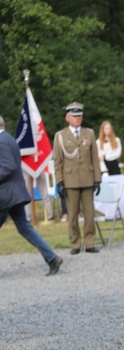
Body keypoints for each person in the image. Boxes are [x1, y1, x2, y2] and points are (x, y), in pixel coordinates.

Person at [0, 115, 63, 275]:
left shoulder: (1, 141)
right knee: (25, 228)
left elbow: (8, 166)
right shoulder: (9, 139)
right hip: (14, 195)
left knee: (25, 228)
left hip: (6, 196)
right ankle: (52, 258)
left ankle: (52, 258)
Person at [53, 102, 101, 254]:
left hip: (87, 178)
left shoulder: (89, 134)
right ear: (67, 118)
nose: (77, 118)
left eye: (79, 115)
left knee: (89, 214)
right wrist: (60, 181)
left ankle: (89, 242)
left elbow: (95, 158)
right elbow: (58, 161)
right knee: (72, 215)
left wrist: (97, 179)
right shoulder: (60, 136)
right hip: (70, 181)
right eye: (74, 116)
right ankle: (74, 243)